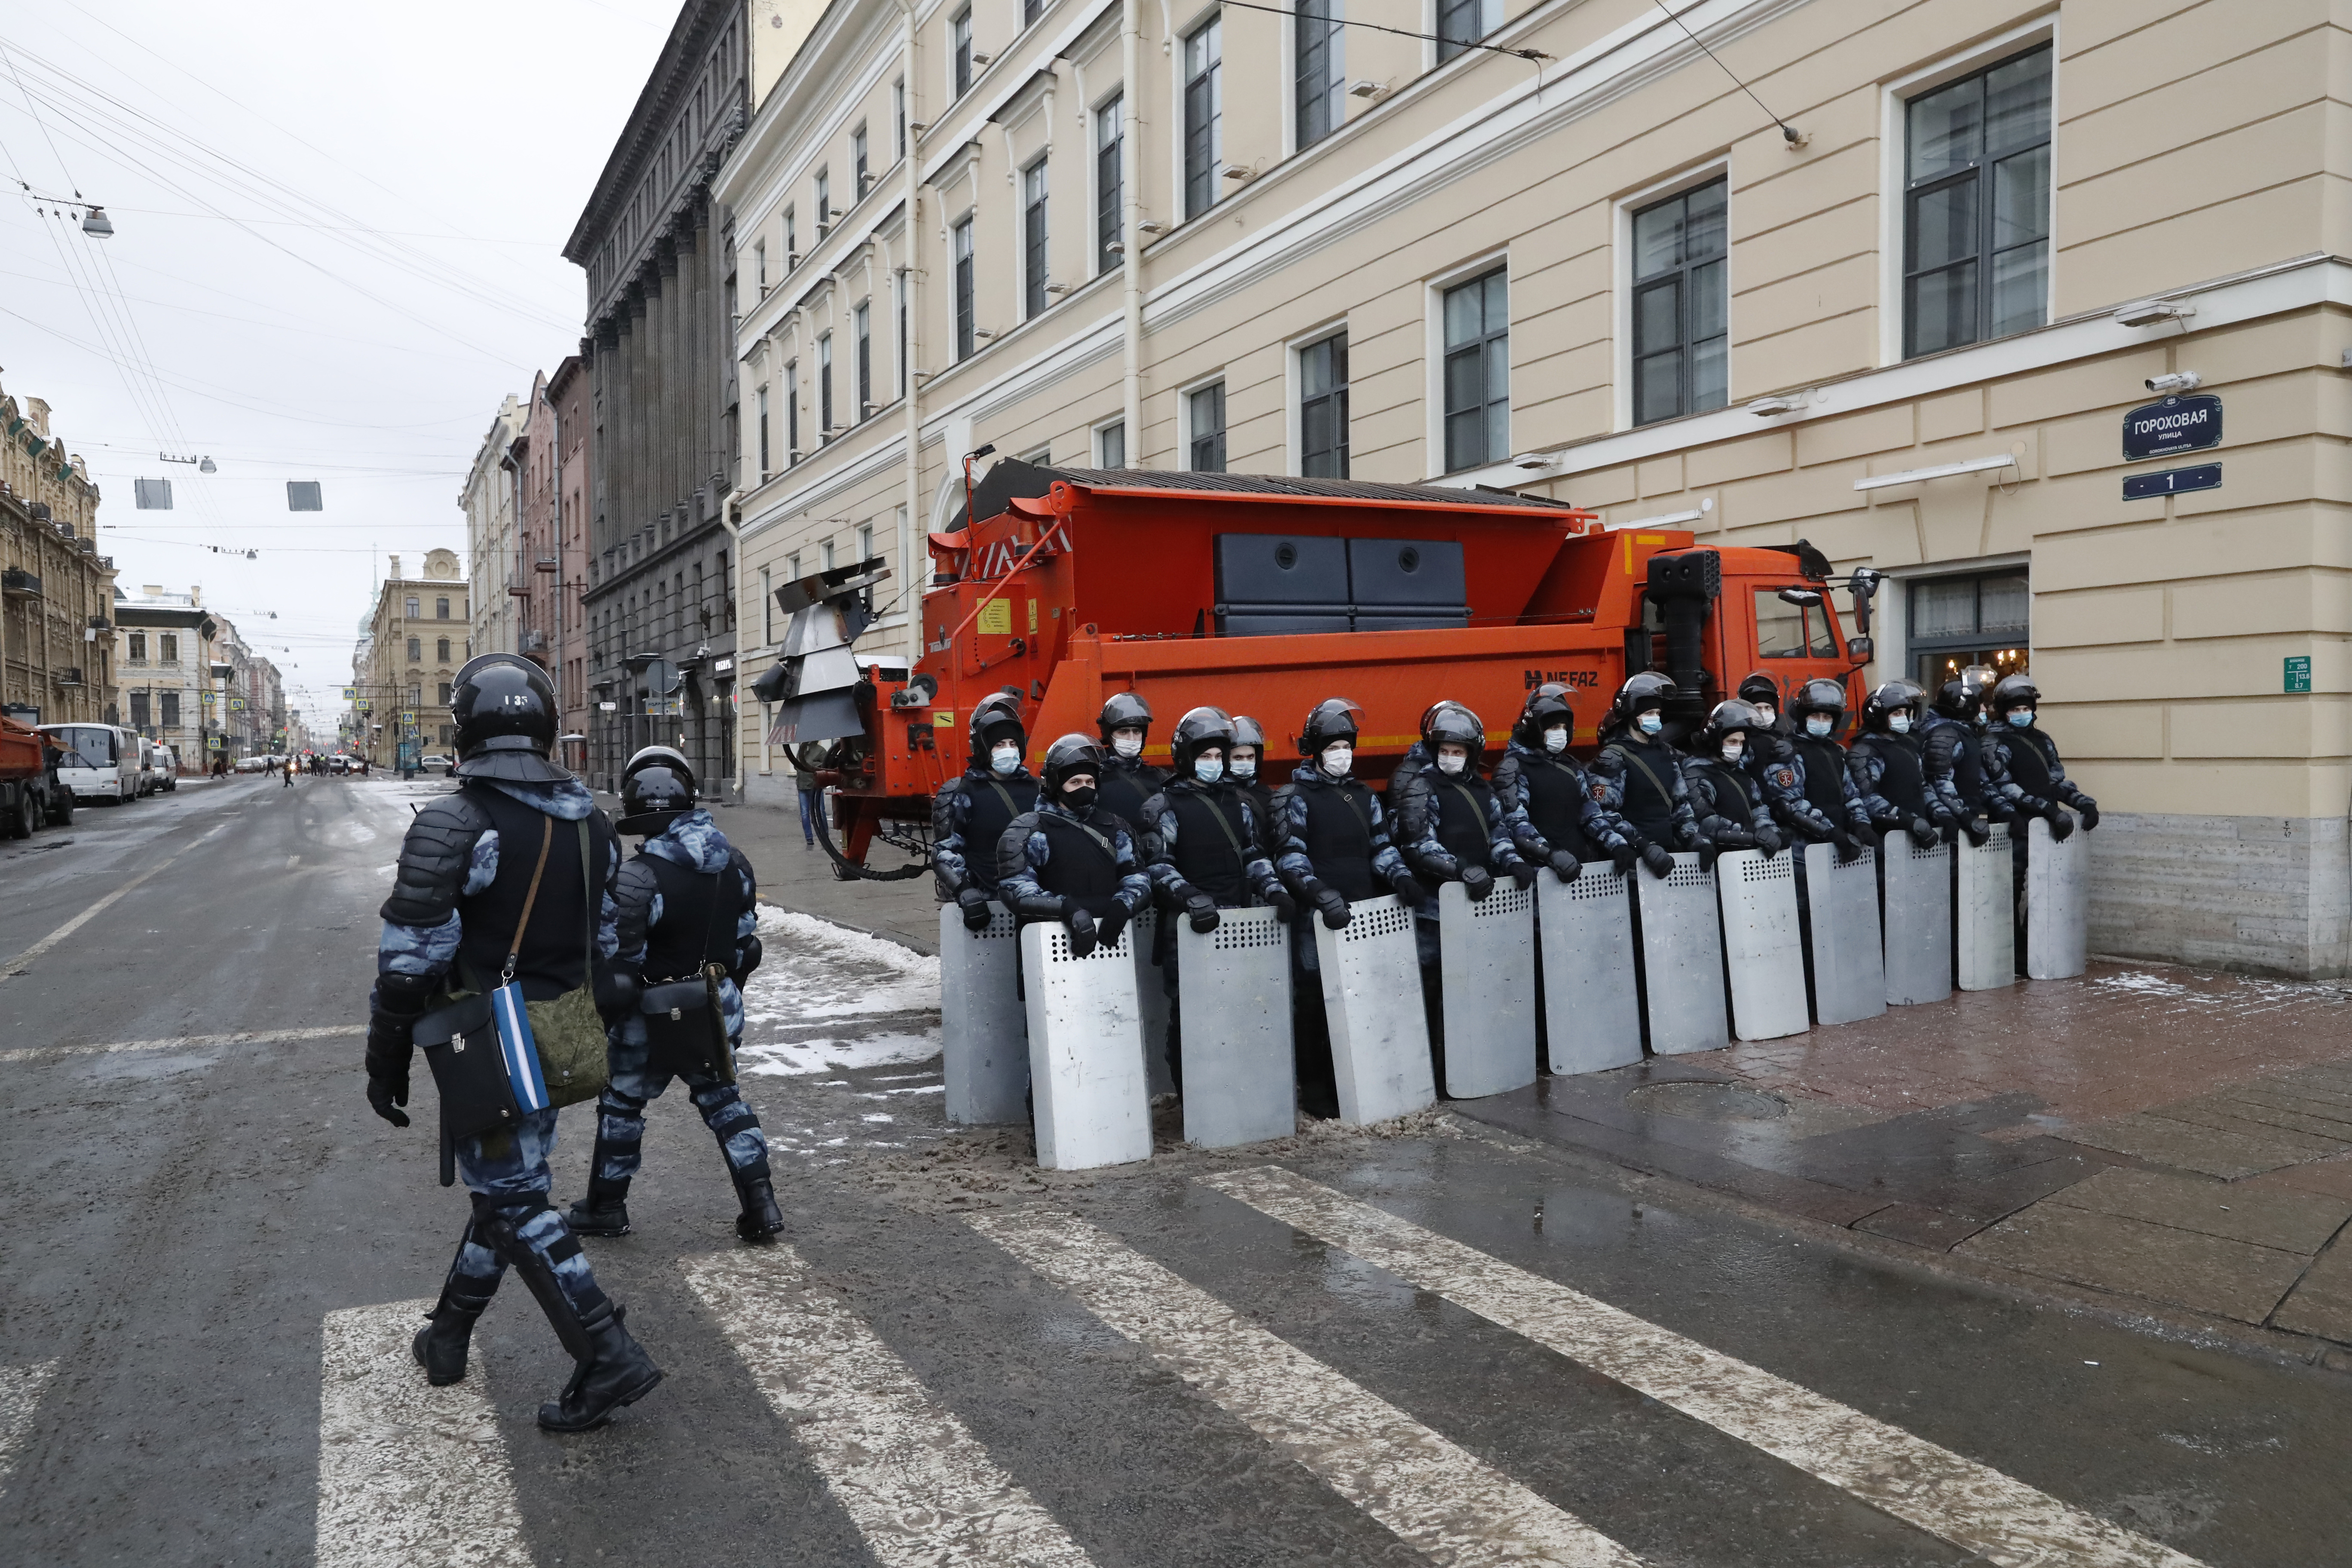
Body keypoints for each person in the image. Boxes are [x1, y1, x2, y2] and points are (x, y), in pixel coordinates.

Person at [364, 654, 658, 1433]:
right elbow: (605, 938)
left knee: (516, 1197)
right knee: (507, 1190)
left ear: (465, 728)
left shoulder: (457, 820)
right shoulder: (591, 819)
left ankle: (606, 1352)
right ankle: (448, 1335)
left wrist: (385, 1055)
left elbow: (410, 963)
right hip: (558, 1036)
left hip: (488, 1044)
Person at [567, 746, 779, 1245]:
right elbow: (746, 938)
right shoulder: (735, 864)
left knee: (622, 1105)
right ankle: (762, 1204)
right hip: (714, 1004)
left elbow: (620, 962)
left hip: (651, 1014)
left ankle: (606, 1207)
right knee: (725, 1100)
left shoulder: (640, 878)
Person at [1270, 698, 1425, 1117]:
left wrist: (1402, 879)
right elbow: (1290, 858)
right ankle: (1318, 1095)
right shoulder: (1294, 797)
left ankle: (1360, 1087)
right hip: (1317, 922)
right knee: (1317, 1007)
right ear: (1316, 750)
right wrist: (1320, 895)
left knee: (1363, 1002)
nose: (1341, 754)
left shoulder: (1362, 796)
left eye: (1346, 746)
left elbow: (1381, 848)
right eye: (1332, 747)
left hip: (1363, 916)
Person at [1138, 707, 1292, 1093]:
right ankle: (1191, 1097)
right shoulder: (1163, 806)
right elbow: (1158, 866)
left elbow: (1254, 856)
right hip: (1190, 930)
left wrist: (1275, 889)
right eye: (1205, 756)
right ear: (1187, 757)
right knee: (1190, 1016)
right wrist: (1191, 898)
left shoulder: (1238, 804)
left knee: (1241, 1007)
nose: (1214, 763)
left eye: (1218, 756)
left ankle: (1238, 1091)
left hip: (1240, 922)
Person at [1389, 701, 1533, 1087]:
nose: (1451, 758)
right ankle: (1435, 1078)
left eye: (1458, 752)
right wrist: (1459, 870)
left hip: (1480, 908)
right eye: (1445, 751)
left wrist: (1513, 862)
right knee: (1434, 995)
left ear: (1471, 754)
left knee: (1478, 990)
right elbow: (1418, 844)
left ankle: (1478, 1069)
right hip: (1437, 913)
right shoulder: (1422, 787)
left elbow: (1498, 836)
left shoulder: (1482, 789)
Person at [997, 734, 1154, 957]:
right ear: (1056, 785)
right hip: (1050, 947)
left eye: (1090, 782)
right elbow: (1015, 886)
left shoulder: (1116, 826)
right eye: (1076, 782)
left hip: (1112, 945)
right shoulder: (1032, 829)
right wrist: (1066, 910)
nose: (1085, 788)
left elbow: (1138, 876)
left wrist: (1124, 905)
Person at [1492, 684, 1628, 879]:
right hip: (1542, 877)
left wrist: (1616, 844)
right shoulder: (1515, 769)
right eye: (1555, 727)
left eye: (1565, 728)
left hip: (1581, 871)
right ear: (1536, 729)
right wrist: (1551, 855)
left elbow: (1590, 814)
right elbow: (1516, 825)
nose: (1561, 733)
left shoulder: (1571, 766)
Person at [932, 692, 1038, 930]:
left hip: (1036, 900)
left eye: (1012, 744)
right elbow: (946, 851)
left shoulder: (1037, 789)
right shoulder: (962, 792)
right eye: (999, 745)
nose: (1007, 750)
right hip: (989, 901)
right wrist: (965, 891)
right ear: (983, 749)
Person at [1588, 672, 1707, 875]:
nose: (1656, 719)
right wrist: (1643, 845)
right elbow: (1604, 815)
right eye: (1649, 713)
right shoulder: (1614, 758)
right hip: (1634, 867)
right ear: (1632, 715)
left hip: (1670, 860)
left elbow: (1681, 807)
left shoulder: (1666, 754)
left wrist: (1696, 840)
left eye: (1658, 713)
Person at [1982, 674, 2096, 839]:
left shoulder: (2043, 740)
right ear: (2004, 712)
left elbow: (2056, 781)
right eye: (2015, 710)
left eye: (2026, 709)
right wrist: (2048, 810)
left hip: (2047, 827)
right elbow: (2003, 787)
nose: (2021, 713)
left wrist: (2084, 804)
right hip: (2014, 828)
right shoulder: (1994, 742)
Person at [1678, 700, 1793, 859]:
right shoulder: (1697, 775)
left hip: (1751, 861)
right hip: (1722, 864)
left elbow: (1759, 810)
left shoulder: (1742, 775)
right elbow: (1707, 823)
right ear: (1715, 741)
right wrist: (1753, 837)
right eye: (1732, 742)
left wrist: (1772, 832)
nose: (1738, 747)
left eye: (1741, 743)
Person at [1847, 681, 1951, 849]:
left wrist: (1942, 814)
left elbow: (1922, 786)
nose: (1903, 718)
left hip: (1918, 836)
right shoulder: (1866, 751)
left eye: (1905, 713)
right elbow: (1867, 798)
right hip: (1887, 842)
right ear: (1879, 715)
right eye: (1896, 713)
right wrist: (1906, 820)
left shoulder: (1907, 746)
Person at [1782, 678, 1877, 860]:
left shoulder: (1835, 751)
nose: (1821, 721)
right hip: (1804, 853)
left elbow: (1851, 795)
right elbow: (1792, 804)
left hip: (1838, 846)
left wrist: (1861, 824)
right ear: (1803, 717)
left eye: (1827, 717)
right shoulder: (1792, 752)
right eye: (1815, 716)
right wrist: (1832, 832)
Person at [1923, 668, 1999, 846]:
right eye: (1979, 704)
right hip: (1954, 825)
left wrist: (2002, 808)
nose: (1984, 709)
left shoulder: (1965, 733)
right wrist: (1965, 817)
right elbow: (1940, 784)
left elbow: (1979, 779)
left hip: (1968, 820)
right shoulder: (1946, 735)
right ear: (1965, 704)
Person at [1093, 692, 1164, 830]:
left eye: (1137, 732)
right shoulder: (1094, 778)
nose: (1131, 738)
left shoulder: (1159, 777)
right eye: (1124, 732)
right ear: (1109, 735)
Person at [1225, 714, 1275, 835]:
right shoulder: (1218, 796)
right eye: (1238, 758)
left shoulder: (1269, 796)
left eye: (1250, 757)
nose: (1245, 762)